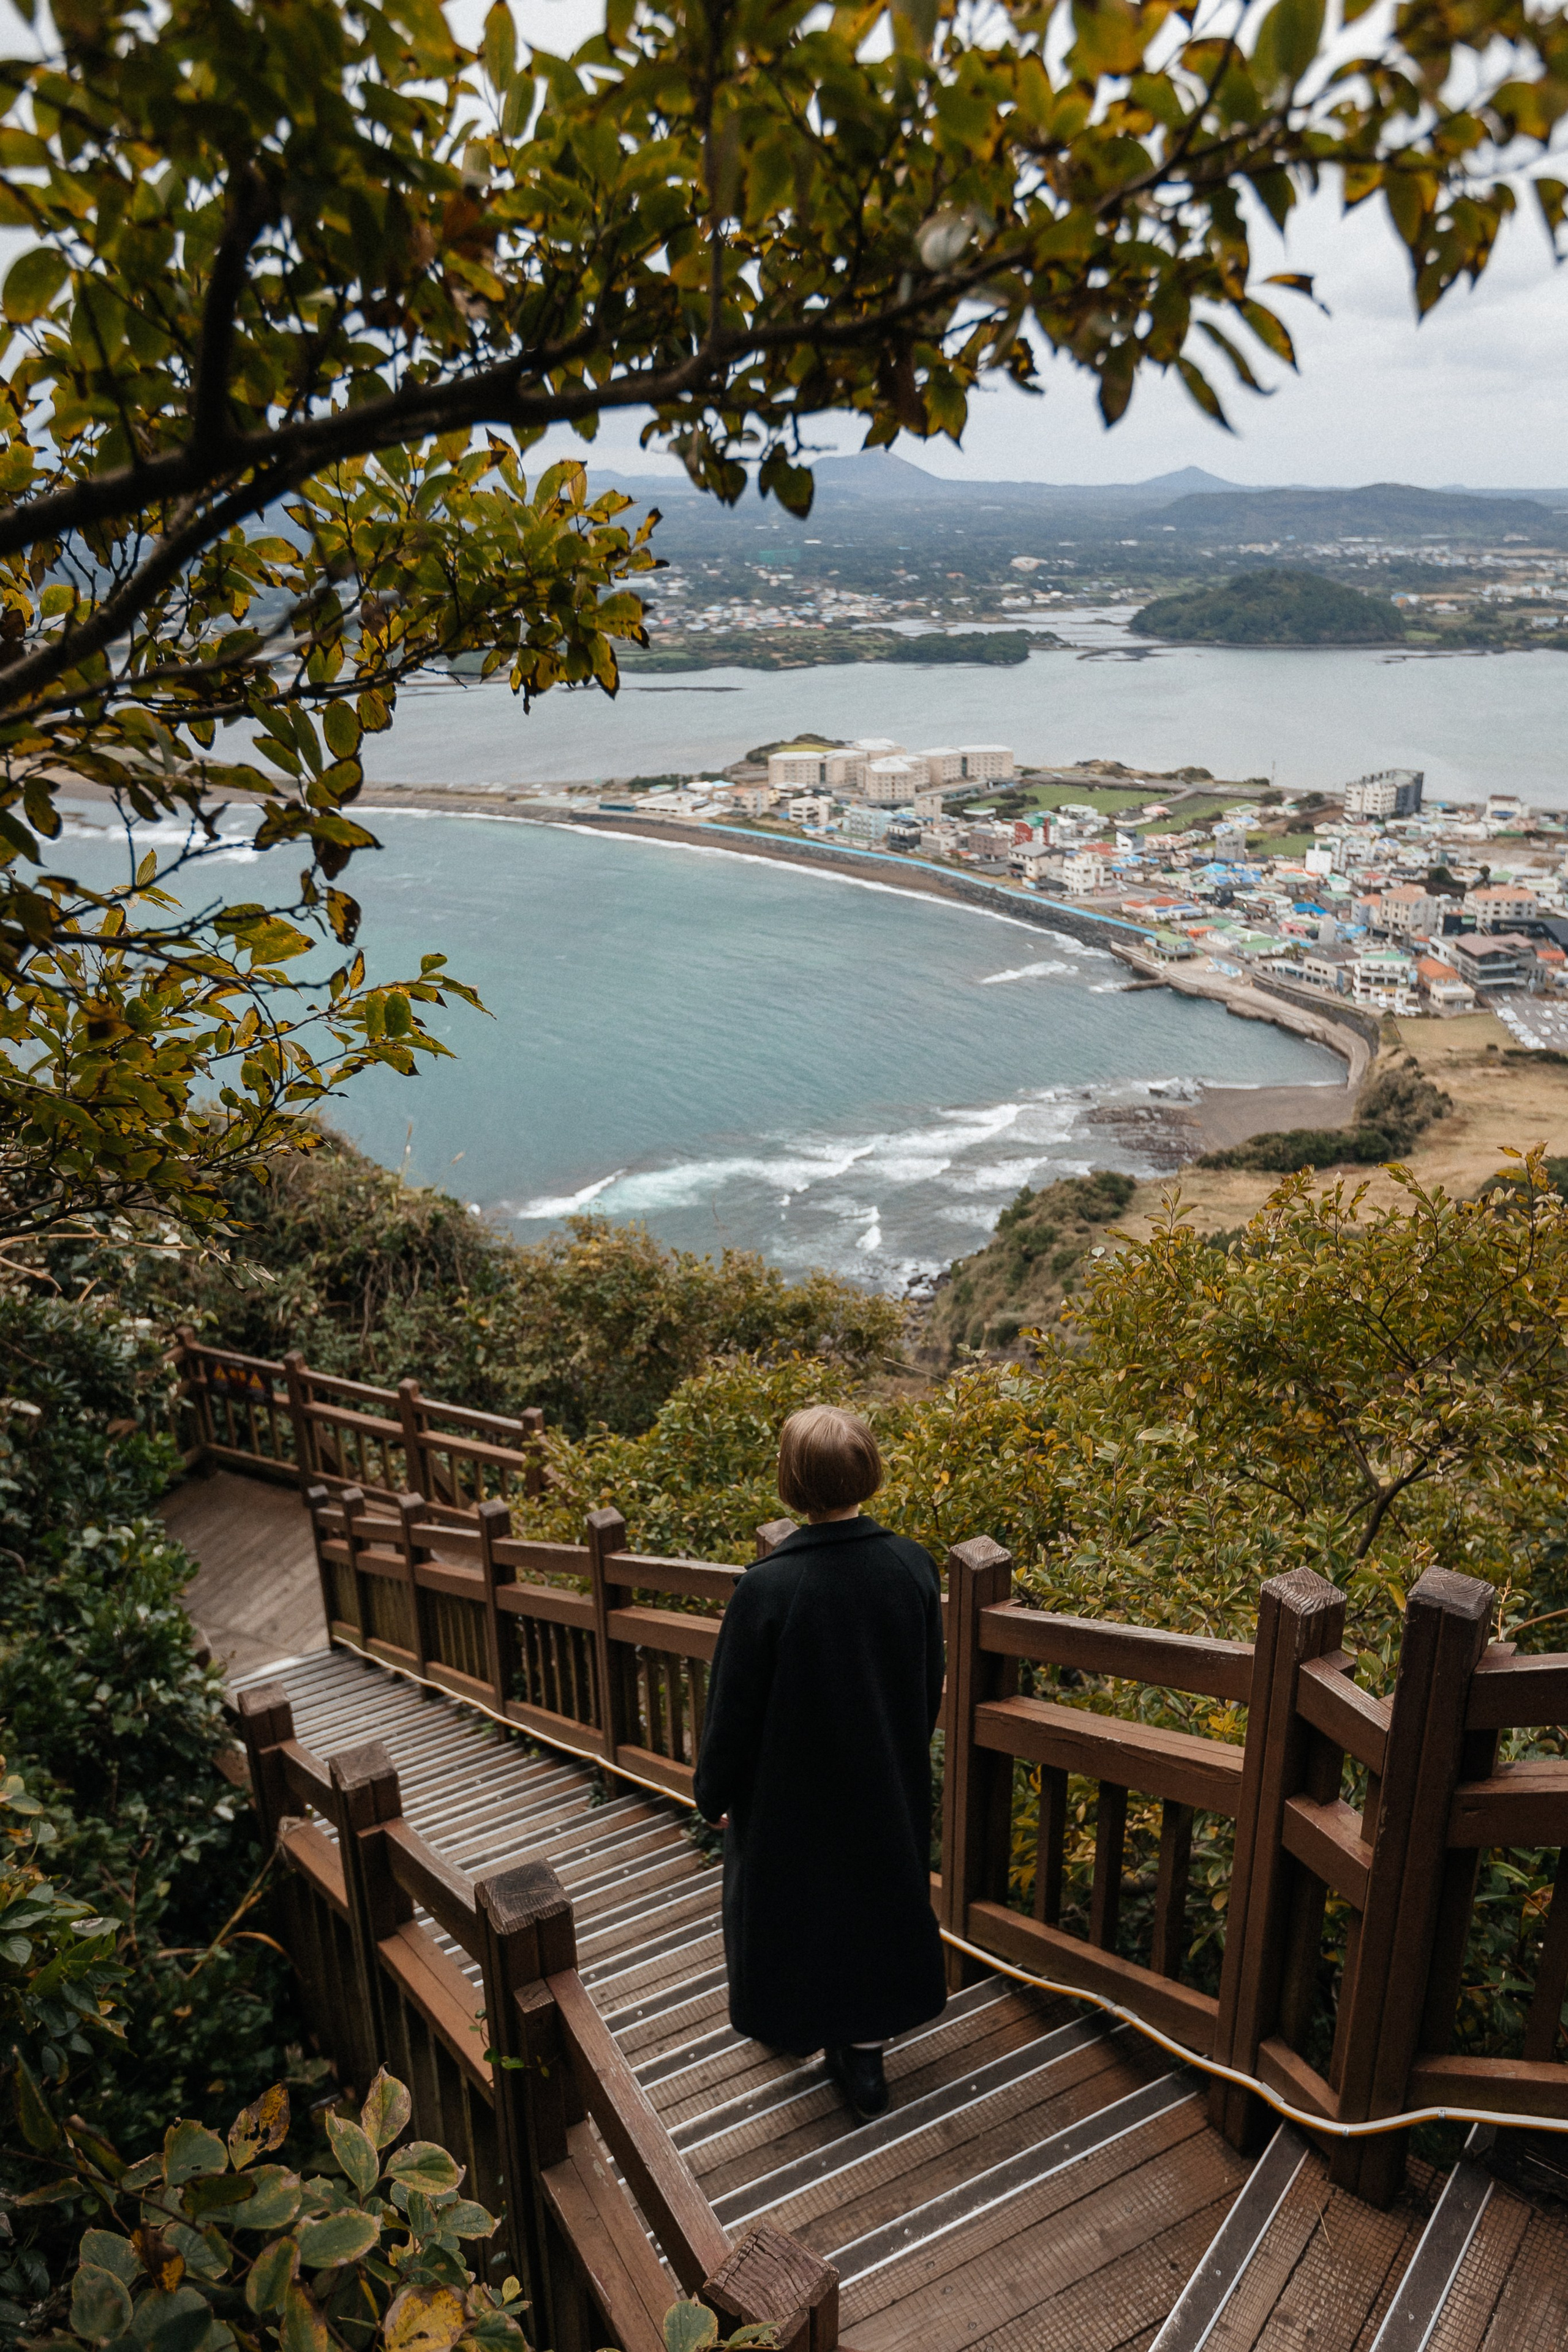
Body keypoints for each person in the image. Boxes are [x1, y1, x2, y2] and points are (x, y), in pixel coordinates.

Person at [693, 1403, 946, 2122]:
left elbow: (731, 1710)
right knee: (874, 1907)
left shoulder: (766, 1588)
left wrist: (712, 1790)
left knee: (789, 1911)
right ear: (868, 1470)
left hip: (786, 1793)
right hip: (882, 1778)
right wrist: (899, 1743)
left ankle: (794, 2024)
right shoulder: (911, 1566)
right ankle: (864, 2059)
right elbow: (926, 1681)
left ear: (790, 1483)